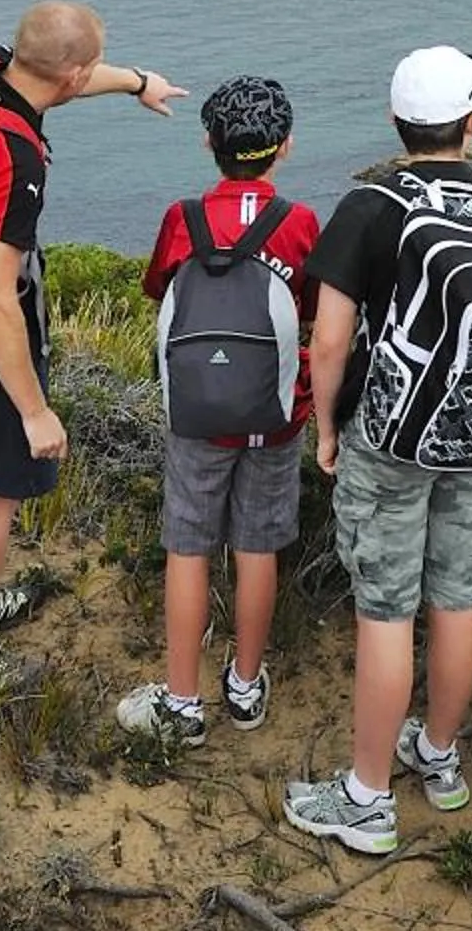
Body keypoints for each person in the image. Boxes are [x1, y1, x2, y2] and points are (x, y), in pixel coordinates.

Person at [0, 0, 180, 689]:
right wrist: (34, 409)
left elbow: (63, 75)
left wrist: (136, 81)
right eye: (90, 72)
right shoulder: (13, 159)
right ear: (73, 74)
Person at [284, 45, 472, 855]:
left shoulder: (370, 209)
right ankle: (438, 758)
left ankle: (367, 800)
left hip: (393, 435)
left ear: (396, 122)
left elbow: (331, 338)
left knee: (386, 608)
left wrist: (329, 426)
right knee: (458, 596)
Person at [116, 76, 321, 745]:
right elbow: (314, 309)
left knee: (188, 546)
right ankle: (244, 686)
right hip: (276, 413)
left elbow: (158, 287)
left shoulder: (183, 218)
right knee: (257, 546)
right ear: (284, 147)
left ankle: (182, 701)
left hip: (197, 412)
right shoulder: (298, 222)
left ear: (209, 142)